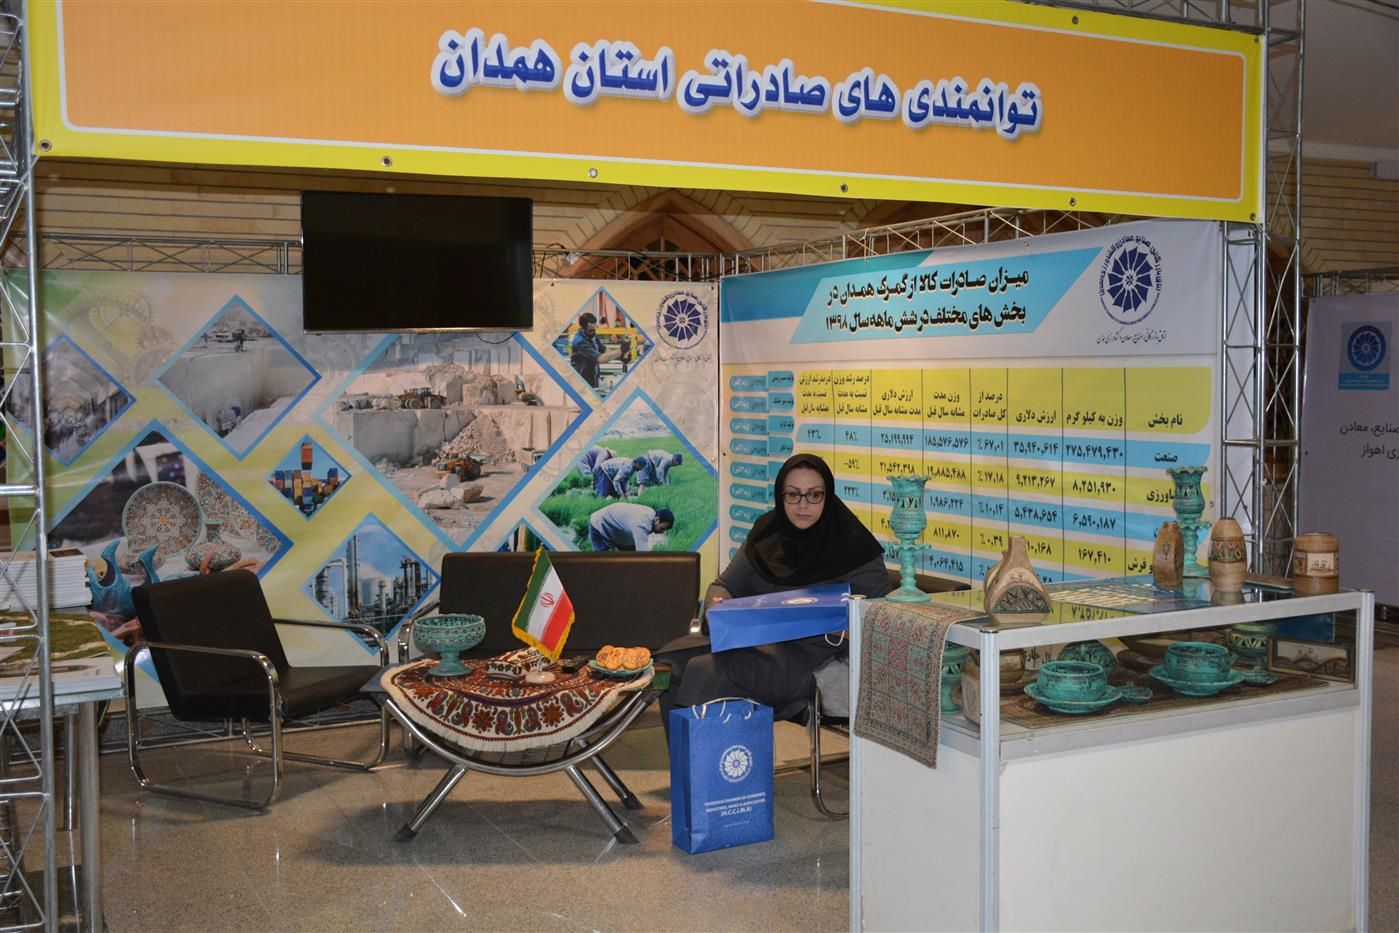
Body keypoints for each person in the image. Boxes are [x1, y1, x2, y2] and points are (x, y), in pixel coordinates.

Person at [656, 453, 892, 727]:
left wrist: (847, 627)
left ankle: (712, 755)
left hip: (808, 655)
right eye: (793, 494)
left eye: (814, 495)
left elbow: (880, 615)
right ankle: (686, 754)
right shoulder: (767, 532)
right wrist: (715, 606)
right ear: (781, 496)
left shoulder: (853, 544)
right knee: (669, 661)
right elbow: (724, 585)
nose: (802, 504)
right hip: (752, 640)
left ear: (827, 496)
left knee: (706, 671)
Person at [588, 502, 675, 552]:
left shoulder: (651, 513)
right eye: (662, 528)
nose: (662, 532)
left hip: (614, 526)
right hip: (598, 524)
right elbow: (643, 554)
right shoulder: (642, 525)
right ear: (657, 520)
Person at [569, 312, 623, 389]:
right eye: (590, 330)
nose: (593, 332)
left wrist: (621, 356)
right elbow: (600, 359)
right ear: (582, 328)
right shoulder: (580, 341)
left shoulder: (592, 336)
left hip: (592, 377)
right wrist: (619, 351)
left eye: (594, 329)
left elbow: (604, 349)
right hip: (581, 381)